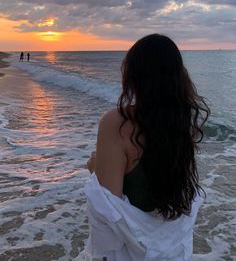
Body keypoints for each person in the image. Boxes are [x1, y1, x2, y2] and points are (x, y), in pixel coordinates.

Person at [84, 34, 210, 261]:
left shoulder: (117, 123)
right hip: (172, 249)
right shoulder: (182, 123)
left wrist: (95, 171)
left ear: (134, 76)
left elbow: (109, 212)